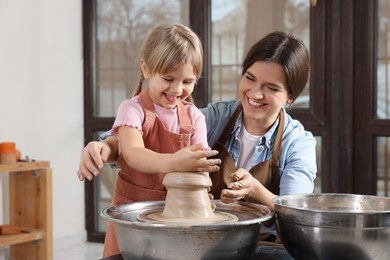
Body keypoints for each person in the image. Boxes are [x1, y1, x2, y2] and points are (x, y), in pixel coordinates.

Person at [79, 30, 316, 242]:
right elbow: (145, 135)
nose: (255, 93)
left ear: (290, 97)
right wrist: (105, 147)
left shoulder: (298, 143)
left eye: (271, 88)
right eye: (250, 79)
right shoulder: (216, 117)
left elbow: (297, 217)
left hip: (268, 247)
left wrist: (255, 190)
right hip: (210, 241)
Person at [83, 23, 222, 257]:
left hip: (175, 218)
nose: (177, 89)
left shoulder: (195, 117)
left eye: (187, 81)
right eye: (168, 78)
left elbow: (202, 168)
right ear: (146, 69)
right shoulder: (132, 109)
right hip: (131, 217)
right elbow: (133, 153)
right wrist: (176, 162)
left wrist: (205, 190)